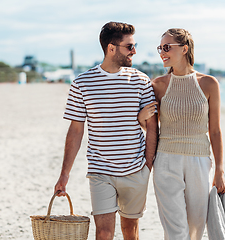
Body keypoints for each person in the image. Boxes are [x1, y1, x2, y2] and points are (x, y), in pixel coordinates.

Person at [54, 21, 158, 240]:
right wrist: (64, 175)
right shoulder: (82, 83)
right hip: (100, 172)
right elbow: (75, 131)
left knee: (130, 230)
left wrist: (148, 164)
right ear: (111, 48)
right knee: (103, 233)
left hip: (136, 169)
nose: (134, 51)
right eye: (129, 46)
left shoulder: (141, 81)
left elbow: (151, 127)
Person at [138, 28, 225, 240]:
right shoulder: (157, 85)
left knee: (195, 229)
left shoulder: (209, 83)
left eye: (167, 47)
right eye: (160, 48)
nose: (162, 52)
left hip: (199, 162)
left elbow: (215, 131)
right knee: (176, 231)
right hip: (166, 161)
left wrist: (220, 170)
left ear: (184, 49)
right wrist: (141, 118)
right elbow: (151, 127)